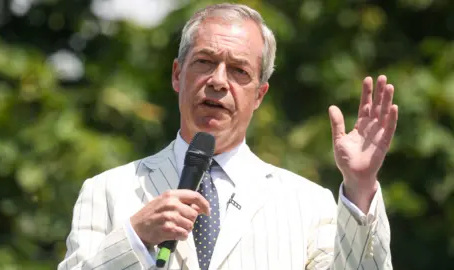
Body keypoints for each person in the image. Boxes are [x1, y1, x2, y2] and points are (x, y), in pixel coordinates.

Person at [58, 3, 396, 270]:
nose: (219, 81)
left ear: (259, 95)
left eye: (239, 71)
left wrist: (360, 185)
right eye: (205, 62)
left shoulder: (308, 203)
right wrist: (136, 236)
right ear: (178, 74)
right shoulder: (106, 191)